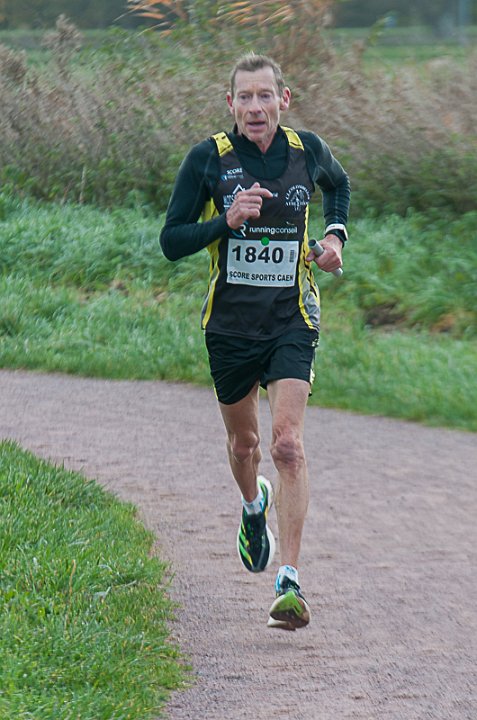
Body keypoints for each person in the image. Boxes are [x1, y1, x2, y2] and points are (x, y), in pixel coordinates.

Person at [160, 53, 350, 630]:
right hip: (230, 327)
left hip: (292, 317)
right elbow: (171, 241)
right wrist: (226, 222)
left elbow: (339, 185)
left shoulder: (307, 150)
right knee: (245, 447)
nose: (256, 107)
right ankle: (252, 504)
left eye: (265, 95)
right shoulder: (208, 159)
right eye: (245, 97)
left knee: (287, 444)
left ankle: (289, 582)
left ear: (283, 100)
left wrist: (335, 237)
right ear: (231, 104)